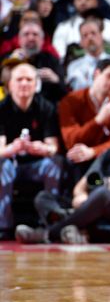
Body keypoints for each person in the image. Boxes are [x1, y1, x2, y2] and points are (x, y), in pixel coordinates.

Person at [16, 110, 110, 244]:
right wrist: (81, 196)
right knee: (44, 198)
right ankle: (74, 230)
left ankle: (47, 234)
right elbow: (84, 183)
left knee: (103, 195)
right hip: (94, 208)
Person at [0, 64, 60, 240]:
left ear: (36, 84)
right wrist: (13, 148)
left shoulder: (46, 108)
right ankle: (3, 226)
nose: (24, 84)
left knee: (54, 164)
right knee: (2, 166)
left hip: (36, 163)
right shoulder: (2, 109)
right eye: (19, 79)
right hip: (12, 164)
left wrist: (42, 148)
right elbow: (1, 150)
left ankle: (51, 222)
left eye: (29, 80)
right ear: (10, 85)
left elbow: (53, 147)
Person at [58, 58, 110, 167]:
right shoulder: (70, 101)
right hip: (77, 159)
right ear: (96, 74)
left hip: (104, 158)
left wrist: (93, 152)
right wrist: (98, 120)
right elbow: (71, 141)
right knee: (73, 158)